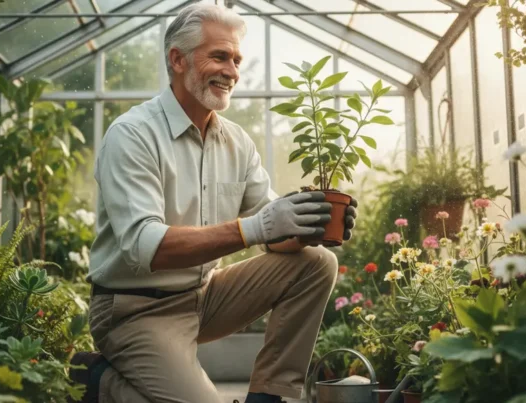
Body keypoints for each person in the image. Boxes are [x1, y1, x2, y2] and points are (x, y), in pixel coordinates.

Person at [69, 3, 357, 403]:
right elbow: (145, 246)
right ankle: (98, 382)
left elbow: (274, 236)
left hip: (204, 297)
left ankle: (270, 394)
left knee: (316, 263)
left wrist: (307, 225)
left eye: (237, 59)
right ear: (177, 60)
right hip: (134, 309)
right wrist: (255, 228)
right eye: (219, 56)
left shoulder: (236, 142)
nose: (233, 71)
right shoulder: (132, 135)